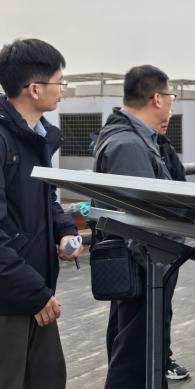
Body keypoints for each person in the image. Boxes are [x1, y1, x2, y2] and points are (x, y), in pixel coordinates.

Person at [92, 65, 184, 388]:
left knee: (137, 350)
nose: (171, 105)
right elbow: (140, 223)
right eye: (171, 97)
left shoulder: (139, 139)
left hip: (145, 268)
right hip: (145, 270)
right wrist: (159, 264)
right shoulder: (128, 146)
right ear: (157, 98)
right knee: (135, 360)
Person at [0, 38, 83, 389]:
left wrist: (65, 230)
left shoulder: (38, 137)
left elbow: (46, 199)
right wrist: (34, 291)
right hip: (11, 298)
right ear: (34, 89)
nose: (62, 90)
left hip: (36, 290)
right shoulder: (4, 140)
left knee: (48, 377)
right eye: (59, 82)